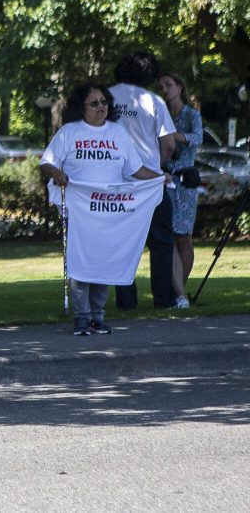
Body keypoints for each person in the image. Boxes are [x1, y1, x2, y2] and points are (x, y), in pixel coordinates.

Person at [40, 84, 161, 336]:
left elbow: (135, 170)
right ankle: (81, 317)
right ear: (81, 107)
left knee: (105, 263)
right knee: (81, 262)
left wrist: (160, 178)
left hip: (110, 213)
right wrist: (57, 173)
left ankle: (98, 316)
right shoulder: (69, 132)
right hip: (80, 210)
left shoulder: (117, 133)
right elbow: (47, 162)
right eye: (94, 103)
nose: (100, 107)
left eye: (104, 102)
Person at [109, 52, 177, 309]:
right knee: (160, 242)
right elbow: (169, 144)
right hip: (150, 182)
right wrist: (157, 166)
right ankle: (163, 298)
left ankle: (126, 301)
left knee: (122, 244)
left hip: (116, 183)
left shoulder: (106, 97)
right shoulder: (153, 101)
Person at [159, 72, 202, 309]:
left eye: (168, 85)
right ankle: (177, 293)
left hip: (185, 180)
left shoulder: (191, 114)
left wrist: (175, 136)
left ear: (179, 86)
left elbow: (197, 138)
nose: (165, 90)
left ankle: (179, 292)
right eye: (161, 86)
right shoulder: (162, 115)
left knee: (183, 236)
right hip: (165, 179)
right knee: (169, 236)